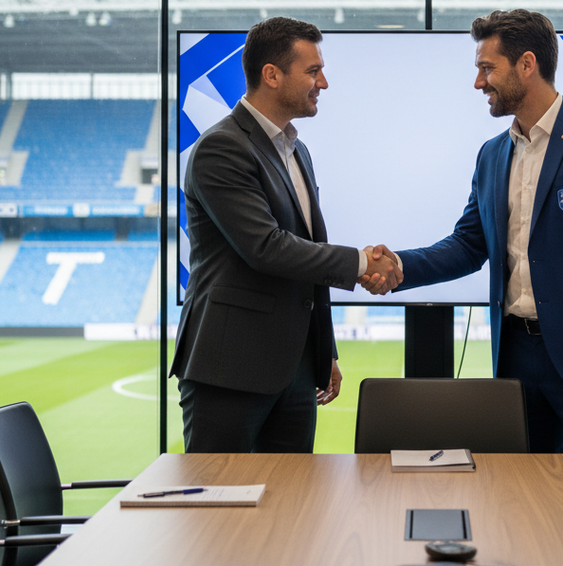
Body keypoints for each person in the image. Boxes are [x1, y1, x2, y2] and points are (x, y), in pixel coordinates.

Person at [364, 9, 563, 454]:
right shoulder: (492, 154)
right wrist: (398, 265)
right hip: (515, 359)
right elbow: (468, 245)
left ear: (527, 64)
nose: (478, 83)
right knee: (522, 491)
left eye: (487, 68)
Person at [171, 17, 401, 453]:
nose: (323, 83)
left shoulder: (298, 151)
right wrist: (361, 262)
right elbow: (266, 247)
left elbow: (307, 251)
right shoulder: (222, 147)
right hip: (230, 370)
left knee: (293, 493)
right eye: (313, 71)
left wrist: (324, 351)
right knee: (220, 493)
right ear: (271, 75)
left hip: (295, 371)